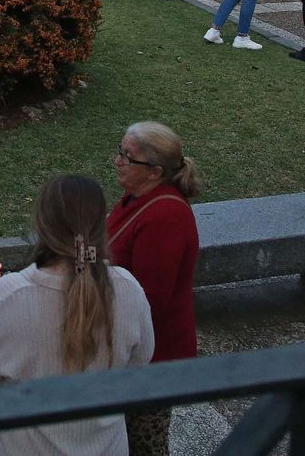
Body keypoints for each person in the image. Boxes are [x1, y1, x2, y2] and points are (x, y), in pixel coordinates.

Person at [0, 175, 154, 456]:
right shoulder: (127, 289)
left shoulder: (12, 294)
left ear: (42, 224)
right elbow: (141, 359)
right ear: (102, 223)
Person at [107, 123, 201, 456]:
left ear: (154, 172)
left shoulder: (165, 216)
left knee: (144, 443)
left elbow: (149, 301)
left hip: (153, 357)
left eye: (127, 157)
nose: (117, 161)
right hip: (134, 349)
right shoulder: (137, 197)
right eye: (121, 151)